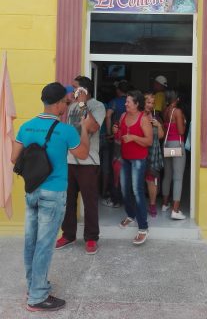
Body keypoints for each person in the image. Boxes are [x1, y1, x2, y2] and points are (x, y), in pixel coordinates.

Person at [11, 82, 91, 312]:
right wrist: (83, 128)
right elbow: (83, 154)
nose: (67, 106)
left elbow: (13, 158)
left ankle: (33, 285)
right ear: (57, 104)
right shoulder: (65, 130)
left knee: (32, 241)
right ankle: (37, 297)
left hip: (32, 190)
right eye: (66, 102)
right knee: (45, 244)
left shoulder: (26, 127)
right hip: (53, 193)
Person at [56, 76, 105, 255]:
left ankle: (91, 238)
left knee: (89, 201)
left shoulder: (97, 106)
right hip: (69, 160)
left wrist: (84, 104)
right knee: (67, 201)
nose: (70, 90)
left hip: (89, 162)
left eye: (74, 88)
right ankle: (68, 234)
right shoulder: (70, 107)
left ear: (83, 90)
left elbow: (92, 128)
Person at [114, 90, 153, 245]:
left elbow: (149, 141)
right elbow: (120, 133)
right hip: (125, 158)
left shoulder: (143, 119)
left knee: (137, 191)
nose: (125, 104)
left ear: (137, 104)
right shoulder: (123, 116)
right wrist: (116, 130)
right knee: (124, 189)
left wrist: (134, 138)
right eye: (126, 102)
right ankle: (131, 215)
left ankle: (143, 228)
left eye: (128, 102)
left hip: (138, 159)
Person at [104, 79, 130, 207]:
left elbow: (108, 116)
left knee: (115, 168)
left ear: (118, 90)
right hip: (129, 140)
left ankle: (115, 198)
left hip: (117, 140)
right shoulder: (130, 102)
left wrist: (109, 133)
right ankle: (125, 198)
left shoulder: (114, 102)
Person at [162, 90, 187, 220]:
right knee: (178, 178)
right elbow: (181, 130)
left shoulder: (165, 111)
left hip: (167, 145)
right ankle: (175, 210)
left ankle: (165, 204)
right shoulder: (177, 112)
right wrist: (184, 121)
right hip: (176, 145)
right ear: (176, 99)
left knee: (167, 175)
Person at [144, 93, 164, 217]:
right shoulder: (138, 115)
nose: (151, 105)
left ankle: (152, 204)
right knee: (138, 179)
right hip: (140, 150)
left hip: (152, 152)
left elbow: (161, 136)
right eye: (148, 102)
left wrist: (159, 125)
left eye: (152, 103)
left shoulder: (156, 117)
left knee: (151, 179)